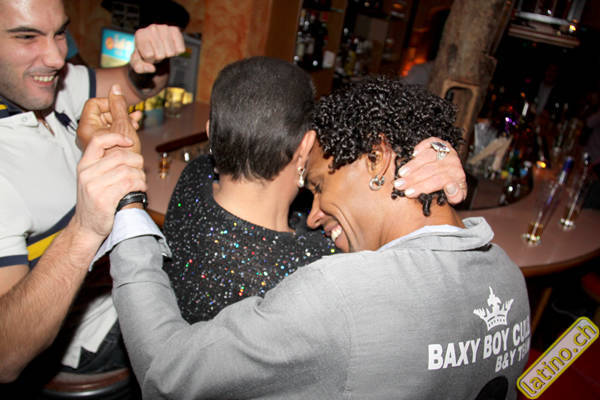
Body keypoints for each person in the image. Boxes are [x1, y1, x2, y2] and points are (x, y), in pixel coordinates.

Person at [96, 71, 529, 398]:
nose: (315, 214)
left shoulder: (337, 294)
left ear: (377, 159)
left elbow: (166, 372)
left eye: (318, 185)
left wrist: (127, 204)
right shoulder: (509, 278)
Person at [162, 57, 467, 322]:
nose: (313, 216)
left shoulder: (193, 179)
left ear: (211, 134)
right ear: (306, 145)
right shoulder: (318, 270)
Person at [0, 0, 185, 386]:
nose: (56, 58)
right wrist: (86, 228)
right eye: (27, 37)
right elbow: (6, 355)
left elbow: (133, 87)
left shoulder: (44, 85)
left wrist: (151, 62)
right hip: (82, 339)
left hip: (109, 289)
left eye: (59, 33)